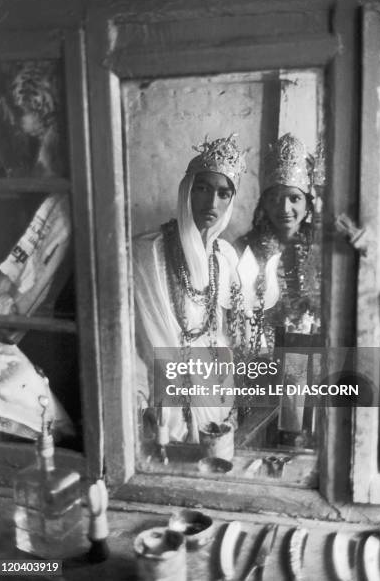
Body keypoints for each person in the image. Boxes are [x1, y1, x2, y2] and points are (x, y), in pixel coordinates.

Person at [133, 135, 246, 444]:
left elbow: (217, 333)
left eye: (223, 194)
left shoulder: (224, 258)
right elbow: (135, 336)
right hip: (158, 386)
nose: (212, 203)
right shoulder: (147, 252)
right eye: (202, 189)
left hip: (212, 392)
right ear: (186, 191)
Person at [236, 132, 321, 354]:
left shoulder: (324, 249)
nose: (284, 209)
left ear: (307, 204)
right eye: (275, 198)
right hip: (261, 359)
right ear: (264, 203)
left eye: (294, 198)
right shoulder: (243, 250)